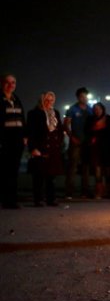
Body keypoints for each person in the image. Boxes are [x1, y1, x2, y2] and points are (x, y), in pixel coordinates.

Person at [26, 92, 65, 207]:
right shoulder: (33, 113)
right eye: (46, 100)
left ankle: (51, 199)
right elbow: (30, 132)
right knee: (39, 176)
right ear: (42, 100)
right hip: (40, 147)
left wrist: (59, 142)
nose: (49, 102)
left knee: (51, 176)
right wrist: (32, 148)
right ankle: (38, 199)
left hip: (53, 148)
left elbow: (59, 129)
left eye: (51, 100)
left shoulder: (55, 113)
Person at [0, 74, 26, 209]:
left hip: (17, 141)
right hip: (5, 141)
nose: (11, 85)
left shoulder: (16, 99)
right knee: (5, 171)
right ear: (2, 83)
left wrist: (25, 137)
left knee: (14, 171)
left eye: (13, 83)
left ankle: (12, 200)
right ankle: (6, 200)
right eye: (8, 82)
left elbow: (22, 118)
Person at [64, 87, 92, 198]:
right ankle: (69, 192)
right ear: (78, 97)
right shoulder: (72, 109)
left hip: (87, 143)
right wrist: (72, 137)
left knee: (86, 168)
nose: (84, 98)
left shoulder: (90, 109)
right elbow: (66, 125)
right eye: (82, 96)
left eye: (85, 96)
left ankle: (85, 192)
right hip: (75, 142)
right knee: (73, 167)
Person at [86, 102, 110, 199]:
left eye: (99, 109)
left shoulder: (107, 119)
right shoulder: (90, 119)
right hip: (96, 149)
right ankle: (99, 192)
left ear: (102, 109)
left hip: (107, 149)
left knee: (108, 172)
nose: (97, 111)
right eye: (95, 109)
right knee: (98, 172)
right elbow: (87, 131)